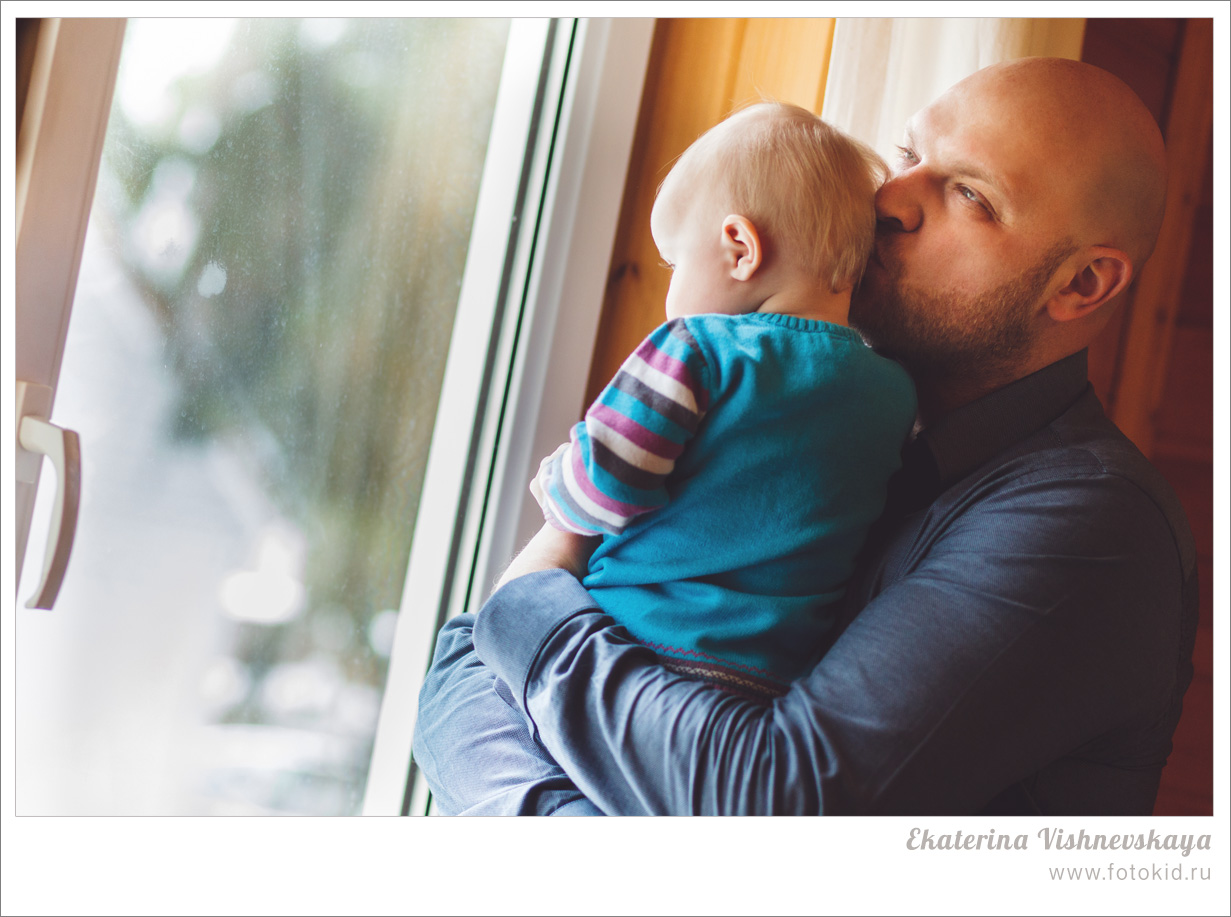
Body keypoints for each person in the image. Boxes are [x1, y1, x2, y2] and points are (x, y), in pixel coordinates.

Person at [412, 57, 1198, 815]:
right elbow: (457, 672)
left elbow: (771, 801)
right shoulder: (827, 423)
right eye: (908, 154)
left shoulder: (1090, 522)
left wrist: (527, 619)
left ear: (1080, 283)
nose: (889, 199)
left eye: (968, 193)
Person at [530, 102, 915, 698]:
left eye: (675, 262)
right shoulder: (893, 390)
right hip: (768, 680)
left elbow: (603, 483)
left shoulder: (697, 350)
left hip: (634, 641)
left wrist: (556, 479)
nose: (669, 293)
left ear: (740, 247)